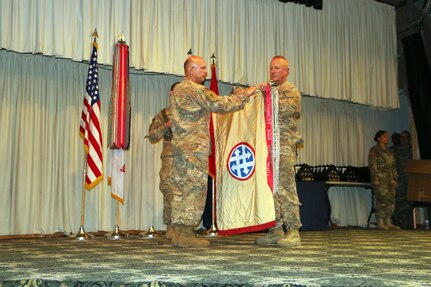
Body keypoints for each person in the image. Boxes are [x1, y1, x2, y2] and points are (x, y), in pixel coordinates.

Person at [169, 55, 259, 248]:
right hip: (194, 150)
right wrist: (245, 94)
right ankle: (185, 234)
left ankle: (177, 233)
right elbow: (221, 104)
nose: (205, 71)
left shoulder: (178, 89)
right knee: (194, 189)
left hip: (181, 149)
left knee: (181, 189)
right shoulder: (195, 89)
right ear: (190, 70)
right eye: (201, 68)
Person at [255, 56, 303, 247]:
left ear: (286, 71)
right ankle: (275, 229)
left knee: (285, 189)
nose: (272, 71)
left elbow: (282, 110)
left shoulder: (290, 91)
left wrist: (263, 95)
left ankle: (293, 231)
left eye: (277, 68)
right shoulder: (269, 91)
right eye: (271, 68)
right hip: (267, 147)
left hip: (283, 147)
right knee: (269, 190)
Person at [147, 82, 179, 239]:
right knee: (168, 190)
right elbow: (152, 135)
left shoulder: (195, 111)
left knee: (189, 193)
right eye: (176, 92)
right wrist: (166, 126)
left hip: (191, 159)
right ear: (171, 94)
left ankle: (185, 228)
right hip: (170, 157)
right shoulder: (164, 114)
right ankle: (171, 225)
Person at [368, 130, 400, 230]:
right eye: (385, 136)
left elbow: (393, 166)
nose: (387, 138)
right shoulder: (374, 150)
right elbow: (372, 166)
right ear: (379, 138)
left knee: (390, 200)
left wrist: (395, 179)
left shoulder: (389, 151)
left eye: (387, 136)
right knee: (381, 200)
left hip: (389, 180)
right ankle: (380, 222)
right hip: (380, 179)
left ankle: (388, 220)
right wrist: (375, 179)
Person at [393, 130, 413, 229]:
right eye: (401, 137)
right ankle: (397, 223)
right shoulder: (394, 149)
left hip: (409, 181)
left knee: (408, 203)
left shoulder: (412, 149)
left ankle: (407, 225)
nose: (403, 139)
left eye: (405, 137)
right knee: (397, 203)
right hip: (398, 180)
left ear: (409, 139)